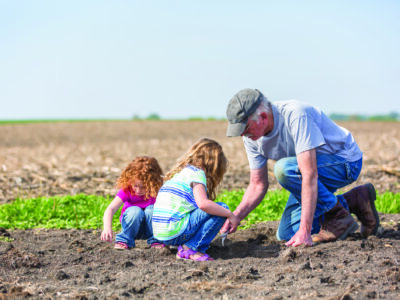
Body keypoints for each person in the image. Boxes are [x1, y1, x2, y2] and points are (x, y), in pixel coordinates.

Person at [222, 88, 380, 247]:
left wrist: (305, 231)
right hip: (307, 171)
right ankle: (355, 200)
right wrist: (236, 216)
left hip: (344, 162)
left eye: (245, 128)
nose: (243, 134)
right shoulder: (251, 137)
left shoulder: (296, 115)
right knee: (287, 234)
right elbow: (258, 184)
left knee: (284, 170)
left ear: (262, 117)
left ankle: (338, 216)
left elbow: (309, 174)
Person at [152, 138, 240, 261]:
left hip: (160, 234)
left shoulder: (182, 174)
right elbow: (203, 204)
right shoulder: (197, 174)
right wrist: (230, 214)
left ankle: (182, 245)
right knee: (222, 208)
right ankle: (191, 248)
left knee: (214, 209)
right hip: (173, 232)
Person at [101, 156, 165, 249]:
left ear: (152, 183)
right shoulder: (127, 190)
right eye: (136, 186)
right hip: (132, 227)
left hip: (151, 228)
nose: (138, 190)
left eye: (143, 187)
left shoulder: (156, 191)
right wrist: (107, 228)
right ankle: (124, 239)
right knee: (135, 211)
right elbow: (111, 209)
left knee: (152, 210)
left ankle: (156, 240)